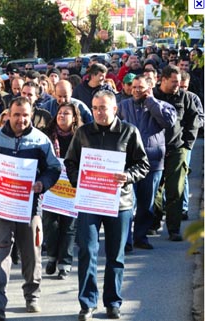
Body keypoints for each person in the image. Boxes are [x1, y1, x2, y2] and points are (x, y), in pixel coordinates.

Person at [64, 90, 149, 321]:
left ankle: (113, 302)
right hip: (90, 201)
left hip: (119, 203)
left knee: (115, 255)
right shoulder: (83, 132)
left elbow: (143, 164)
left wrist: (127, 175)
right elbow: (70, 162)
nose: (99, 112)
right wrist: (78, 180)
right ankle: (87, 304)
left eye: (103, 108)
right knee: (87, 251)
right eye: (95, 108)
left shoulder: (129, 132)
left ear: (115, 109)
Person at [0, 96, 61, 320]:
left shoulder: (41, 141)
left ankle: (32, 295)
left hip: (31, 206)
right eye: (16, 115)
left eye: (25, 115)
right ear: (8, 114)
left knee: (31, 253)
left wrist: (43, 183)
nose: (21, 120)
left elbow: (54, 168)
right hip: (2, 205)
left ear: (31, 114)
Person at [118, 75, 176, 250]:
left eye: (140, 87)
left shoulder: (161, 106)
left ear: (149, 88)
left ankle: (140, 237)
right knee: (128, 203)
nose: (135, 90)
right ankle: (125, 241)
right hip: (128, 163)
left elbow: (168, 122)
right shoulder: (123, 106)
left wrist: (151, 101)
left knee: (146, 204)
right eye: (133, 87)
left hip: (152, 163)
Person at [153, 65, 200, 241]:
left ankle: (173, 228)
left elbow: (193, 122)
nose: (177, 86)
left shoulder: (185, 98)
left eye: (179, 82)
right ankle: (154, 222)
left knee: (176, 190)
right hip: (155, 150)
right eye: (173, 82)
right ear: (162, 80)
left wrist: (186, 145)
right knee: (155, 189)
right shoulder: (152, 97)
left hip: (176, 149)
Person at [42, 102, 84, 280]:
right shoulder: (46, 135)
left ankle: (65, 263)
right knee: (50, 224)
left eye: (66, 114)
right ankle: (52, 256)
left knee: (69, 226)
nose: (62, 116)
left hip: (72, 187)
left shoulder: (81, 136)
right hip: (51, 185)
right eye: (60, 113)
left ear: (74, 117)